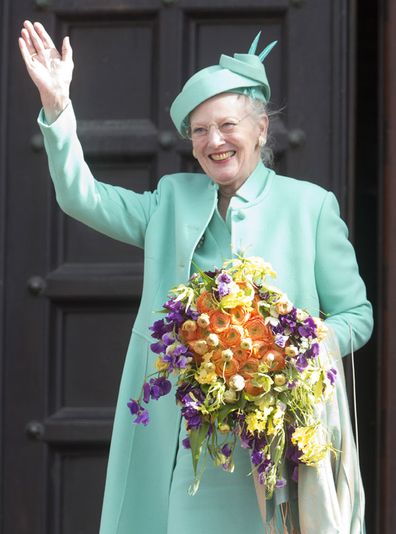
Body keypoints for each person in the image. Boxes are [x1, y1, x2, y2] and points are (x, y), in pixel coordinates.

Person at [19, 20, 373, 534]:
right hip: (182, 435)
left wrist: (300, 345)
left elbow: (355, 316)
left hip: (275, 435)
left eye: (228, 125)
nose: (215, 141)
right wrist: (58, 108)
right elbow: (82, 197)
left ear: (261, 129)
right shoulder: (171, 199)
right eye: (200, 130)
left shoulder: (311, 207)